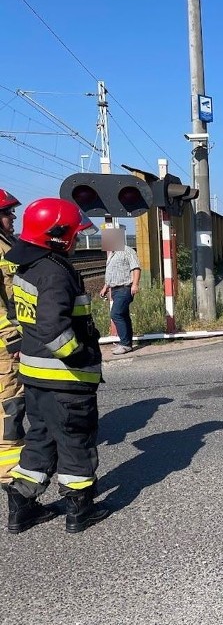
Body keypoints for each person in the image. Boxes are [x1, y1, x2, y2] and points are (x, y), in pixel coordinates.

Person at [5, 198, 109, 534]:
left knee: (41, 438)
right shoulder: (53, 271)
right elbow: (53, 328)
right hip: (64, 377)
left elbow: (22, 318)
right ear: (57, 235)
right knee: (75, 439)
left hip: (35, 376)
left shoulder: (29, 266)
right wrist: (80, 356)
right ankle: (80, 508)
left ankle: (22, 506)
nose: (78, 240)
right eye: (75, 234)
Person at [0, 189, 25, 485]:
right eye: (7, 213)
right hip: (5, 343)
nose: (12, 217)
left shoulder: (9, 244)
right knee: (10, 402)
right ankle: (9, 473)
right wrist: (12, 338)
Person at [99, 230, 141, 356]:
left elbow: (136, 268)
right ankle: (127, 343)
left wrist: (135, 284)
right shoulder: (112, 254)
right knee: (123, 315)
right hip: (115, 289)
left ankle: (124, 344)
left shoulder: (127, 251)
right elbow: (111, 272)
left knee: (116, 314)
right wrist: (105, 287)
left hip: (125, 287)